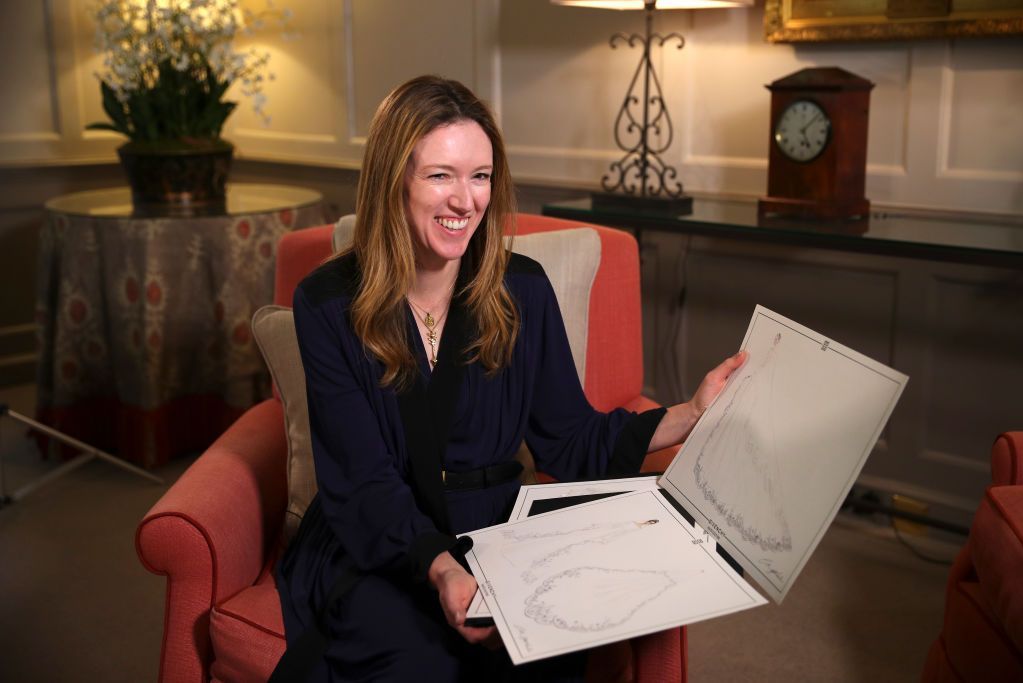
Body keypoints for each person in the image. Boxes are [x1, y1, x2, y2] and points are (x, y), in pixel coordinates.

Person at [274, 74, 747, 682]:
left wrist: (691, 413)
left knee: (543, 655)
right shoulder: (327, 302)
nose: (465, 200)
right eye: (440, 175)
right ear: (393, 182)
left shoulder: (521, 288)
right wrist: (442, 569)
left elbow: (570, 438)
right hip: (383, 543)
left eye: (480, 176)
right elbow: (361, 481)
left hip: (499, 536)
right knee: (414, 660)